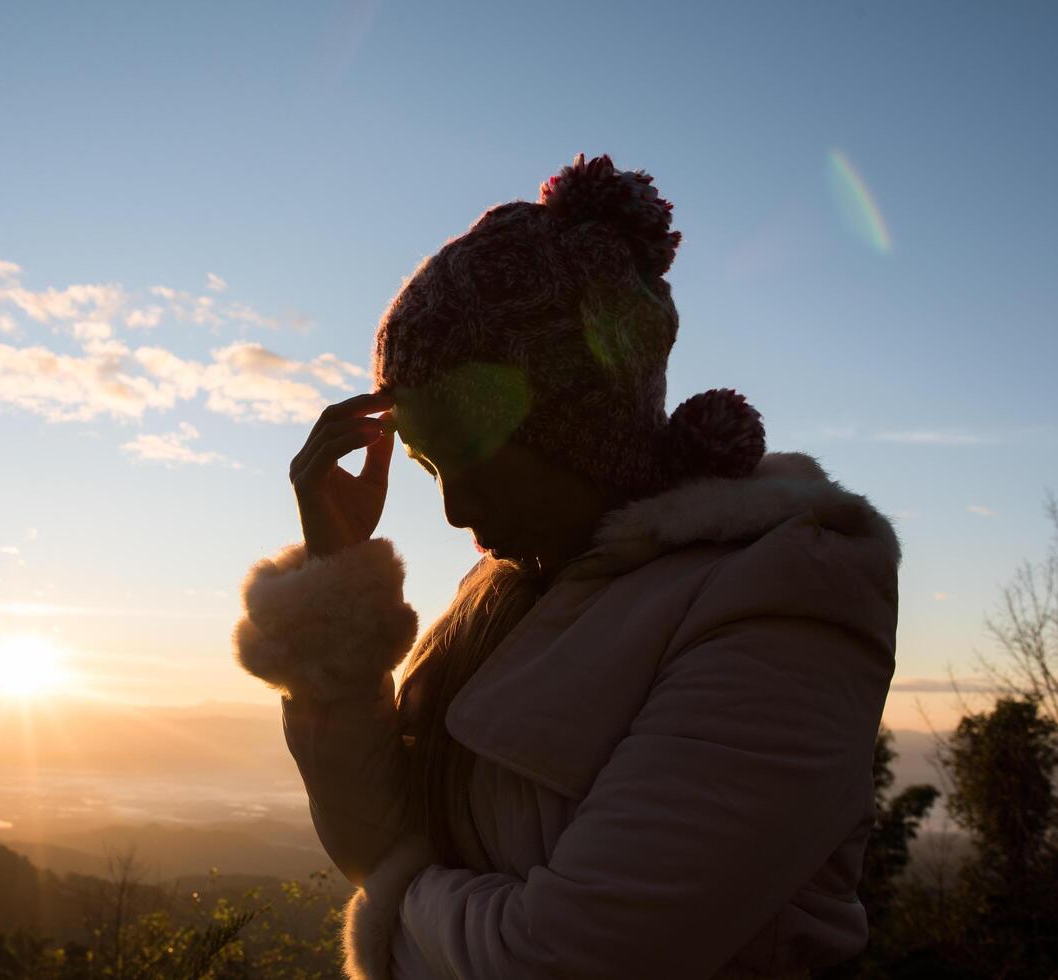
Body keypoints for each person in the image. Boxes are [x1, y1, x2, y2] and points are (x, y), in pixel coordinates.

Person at [231, 153, 899, 979]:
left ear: (577, 426)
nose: (451, 512)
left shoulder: (778, 599)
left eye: (473, 456)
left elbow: (565, 958)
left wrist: (401, 903)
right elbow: (377, 842)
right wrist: (336, 591)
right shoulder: (506, 591)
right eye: (429, 465)